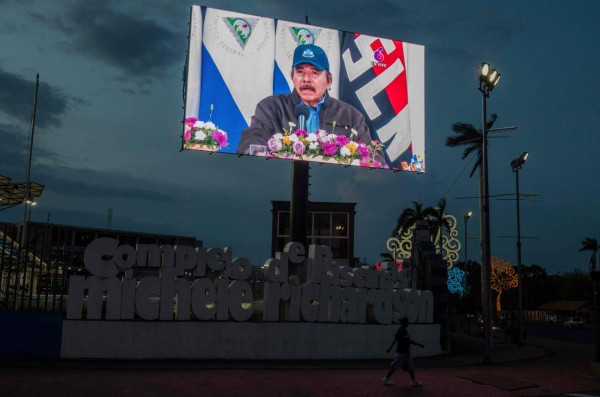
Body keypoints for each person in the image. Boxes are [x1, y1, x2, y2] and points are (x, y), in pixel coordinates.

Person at [237, 43, 381, 163]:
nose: (306, 79)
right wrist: (257, 154)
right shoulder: (271, 107)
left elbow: (375, 158)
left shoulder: (351, 116)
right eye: (300, 72)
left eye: (314, 73)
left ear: (329, 81)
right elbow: (252, 139)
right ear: (292, 77)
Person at [382, 317, 425, 387]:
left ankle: (414, 381)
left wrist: (390, 348)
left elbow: (395, 339)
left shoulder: (400, 330)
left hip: (405, 352)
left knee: (410, 366)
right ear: (405, 323)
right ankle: (386, 378)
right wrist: (419, 345)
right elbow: (408, 341)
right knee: (395, 366)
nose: (408, 323)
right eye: (407, 322)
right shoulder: (403, 331)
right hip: (402, 352)